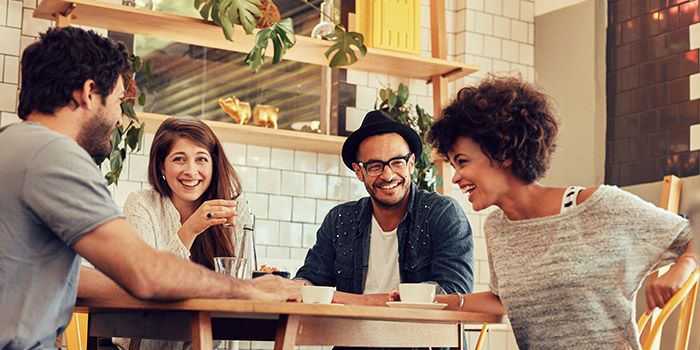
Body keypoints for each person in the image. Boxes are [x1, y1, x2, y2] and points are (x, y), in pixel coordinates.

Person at [0, 27, 299, 349]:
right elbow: (147, 273)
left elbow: (72, 279)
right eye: (118, 100)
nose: (118, 117)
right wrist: (249, 290)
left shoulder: (12, 145)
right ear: (89, 92)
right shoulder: (54, 155)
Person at [423, 76, 698, 349]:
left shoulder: (599, 207)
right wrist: (435, 301)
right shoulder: (497, 227)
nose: (456, 177)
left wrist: (682, 268)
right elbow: (506, 299)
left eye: (462, 162)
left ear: (503, 152)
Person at [295, 110, 474, 305]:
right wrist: (293, 286)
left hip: (421, 334)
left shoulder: (442, 213)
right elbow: (311, 279)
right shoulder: (339, 220)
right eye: (374, 166)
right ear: (359, 172)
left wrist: (345, 299)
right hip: (350, 335)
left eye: (397, 162)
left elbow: (455, 291)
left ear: (411, 163)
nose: (388, 175)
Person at [105, 116, 253, 349]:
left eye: (201, 159)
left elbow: (242, 286)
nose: (191, 171)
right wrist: (190, 230)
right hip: (142, 342)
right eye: (179, 159)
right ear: (161, 165)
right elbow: (148, 283)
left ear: (214, 165)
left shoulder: (233, 209)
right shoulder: (142, 204)